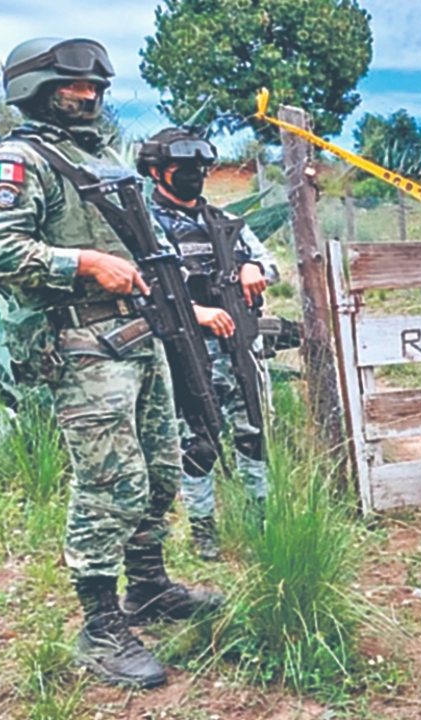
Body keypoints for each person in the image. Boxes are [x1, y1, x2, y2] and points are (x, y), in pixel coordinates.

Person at [0, 38, 224, 688]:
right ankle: (99, 625)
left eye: (95, 90)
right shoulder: (17, 162)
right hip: (79, 345)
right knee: (112, 486)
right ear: (34, 89)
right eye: (71, 88)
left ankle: (149, 588)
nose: (88, 97)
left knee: (162, 471)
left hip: (141, 339)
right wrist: (81, 263)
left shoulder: (106, 160)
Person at [137, 127, 281, 560]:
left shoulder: (222, 222)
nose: (194, 176)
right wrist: (194, 313)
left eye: (200, 168)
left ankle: (261, 521)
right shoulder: (147, 224)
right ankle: (204, 532)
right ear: (159, 172)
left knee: (253, 435)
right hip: (187, 351)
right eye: (184, 169)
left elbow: (269, 267)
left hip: (239, 348)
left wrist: (254, 266)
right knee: (198, 444)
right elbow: (142, 285)